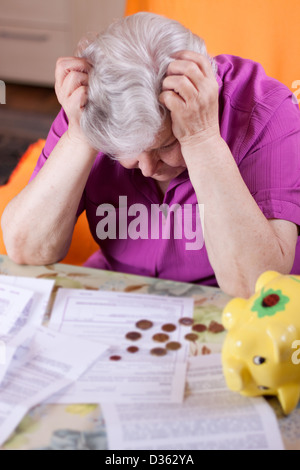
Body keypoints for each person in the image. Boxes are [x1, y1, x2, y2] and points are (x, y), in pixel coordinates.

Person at [1, 12, 300, 298]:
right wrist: (81, 136)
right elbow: (27, 249)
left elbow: (255, 285)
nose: (144, 168)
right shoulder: (96, 104)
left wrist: (201, 139)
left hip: (234, 306)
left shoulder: (267, 110)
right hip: (123, 290)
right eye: (123, 152)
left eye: (165, 146)